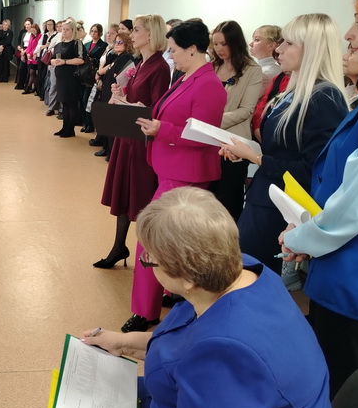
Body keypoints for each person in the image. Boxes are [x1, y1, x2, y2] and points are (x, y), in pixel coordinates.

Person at [82, 188, 337, 408]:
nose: (145, 261)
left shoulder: (224, 354)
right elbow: (184, 342)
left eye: (149, 259)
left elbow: (209, 355)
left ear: (188, 277)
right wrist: (122, 344)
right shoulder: (240, 269)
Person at [280, 0, 358, 396]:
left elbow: (356, 205)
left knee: (349, 393)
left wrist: (301, 237)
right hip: (346, 270)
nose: (349, 34)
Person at [221, 14, 348, 276]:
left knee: (252, 277)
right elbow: (281, 148)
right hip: (266, 197)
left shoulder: (323, 97)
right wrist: (245, 152)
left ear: (311, 49)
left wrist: (257, 159)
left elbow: (314, 169)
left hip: (282, 206)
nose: (279, 50)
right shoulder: (294, 91)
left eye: (288, 43)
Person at [124, 20, 227, 332]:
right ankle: (170, 292)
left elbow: (205, 135)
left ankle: (145, 311)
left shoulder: (208, 84)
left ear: (192, 49)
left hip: (185, 175)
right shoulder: (187, 78)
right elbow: (168, 111)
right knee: (172, 240)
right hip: (171, 169)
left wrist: (162, 130)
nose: (171, 56)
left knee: (150, 238)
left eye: (173, 50)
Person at [97, 17, 170, 269]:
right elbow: (136, 98)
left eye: (136, 30)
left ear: (150, 35)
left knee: (138, 194)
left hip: (140, 141)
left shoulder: (159, 67)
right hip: (127, 136)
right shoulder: (141, 63)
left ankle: (146, 251)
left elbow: (157, 109)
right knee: (124, 193)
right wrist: (121, 95)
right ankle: (119, 246)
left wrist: (135, 105)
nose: (131, 35)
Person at [208, 21, 263, 221]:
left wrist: (211, 122)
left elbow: (246, 110)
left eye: (224, 43)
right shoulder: (212, 67)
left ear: (235, 42)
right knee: (207, 198)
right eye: (215, 44)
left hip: (233, 144)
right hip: (207, 142)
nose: (219, 49)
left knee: (228, 200)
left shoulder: (252, 70)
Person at [89, 24, 125, 157]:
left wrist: (100, 73)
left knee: (109, 123)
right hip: (104, 87)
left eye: (120, 42)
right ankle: (105, 146)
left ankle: (109, 150)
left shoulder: (123, 57)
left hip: (112, 92)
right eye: (116, 42)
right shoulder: (112, 52)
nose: (116, 44)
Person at [50, 19, 86, 138]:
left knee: (71, 103)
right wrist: (54, 61)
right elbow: (52, 58)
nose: (64, 31)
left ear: (73, 31)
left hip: (71, 77)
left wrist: (64, 62)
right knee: (64, 103)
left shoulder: (76, 43)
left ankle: (70, 129)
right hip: (60, 77)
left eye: (67, 30)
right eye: (63, 29)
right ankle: (65, 127)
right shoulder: (59, 45)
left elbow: (80, 60)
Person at [80, 23, 107, 133]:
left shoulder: (103, 45)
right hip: (84, 74)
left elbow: (102, 61)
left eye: (96, 31)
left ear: (100, 33)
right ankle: (85, 123)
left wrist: (92, 59)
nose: (93, 33)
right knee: (82, 100)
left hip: (94, 75)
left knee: (88, 100)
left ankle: (91, 124)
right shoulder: (86, 44)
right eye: (92, 31)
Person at [250, 24, 282, 91]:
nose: (250, 44)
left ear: (271, 46)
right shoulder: (264, 69)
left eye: (257, 40)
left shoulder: (268, 72)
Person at [22, 22, 41, 95]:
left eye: (34, 30)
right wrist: (28, 53)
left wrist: (31, 53)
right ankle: (35, 88)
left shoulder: (39, 36)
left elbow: (37, 47)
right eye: (32, 30)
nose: (33, 32)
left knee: (32, 72)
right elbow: (29, 46)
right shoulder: (31, 36)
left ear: (37, 30)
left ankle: (28, 88)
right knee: (32, 73)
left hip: (35, 57)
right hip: (30, 57)